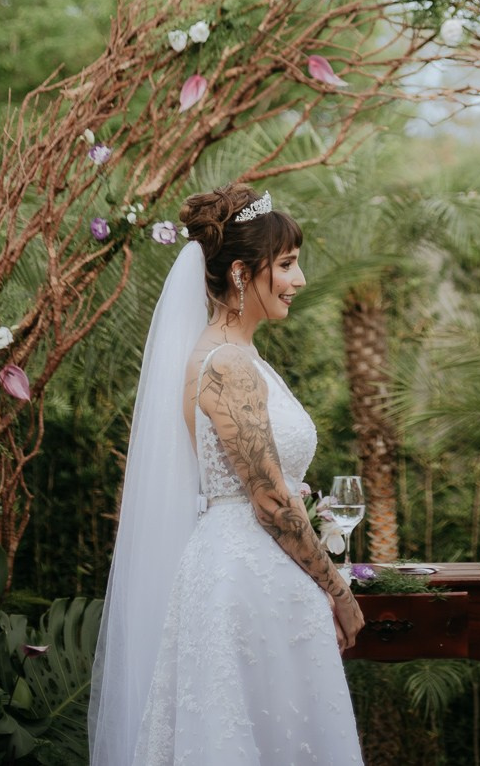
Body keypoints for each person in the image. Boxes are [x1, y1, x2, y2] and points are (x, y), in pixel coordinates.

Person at [89, 182, 365, 766]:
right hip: (246, 580)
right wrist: (338, 592)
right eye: (286, 264)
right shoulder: (229, 365)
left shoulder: (235, 356)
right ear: (242, 273)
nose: (300, 279)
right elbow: (267, 499)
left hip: (252, 574)